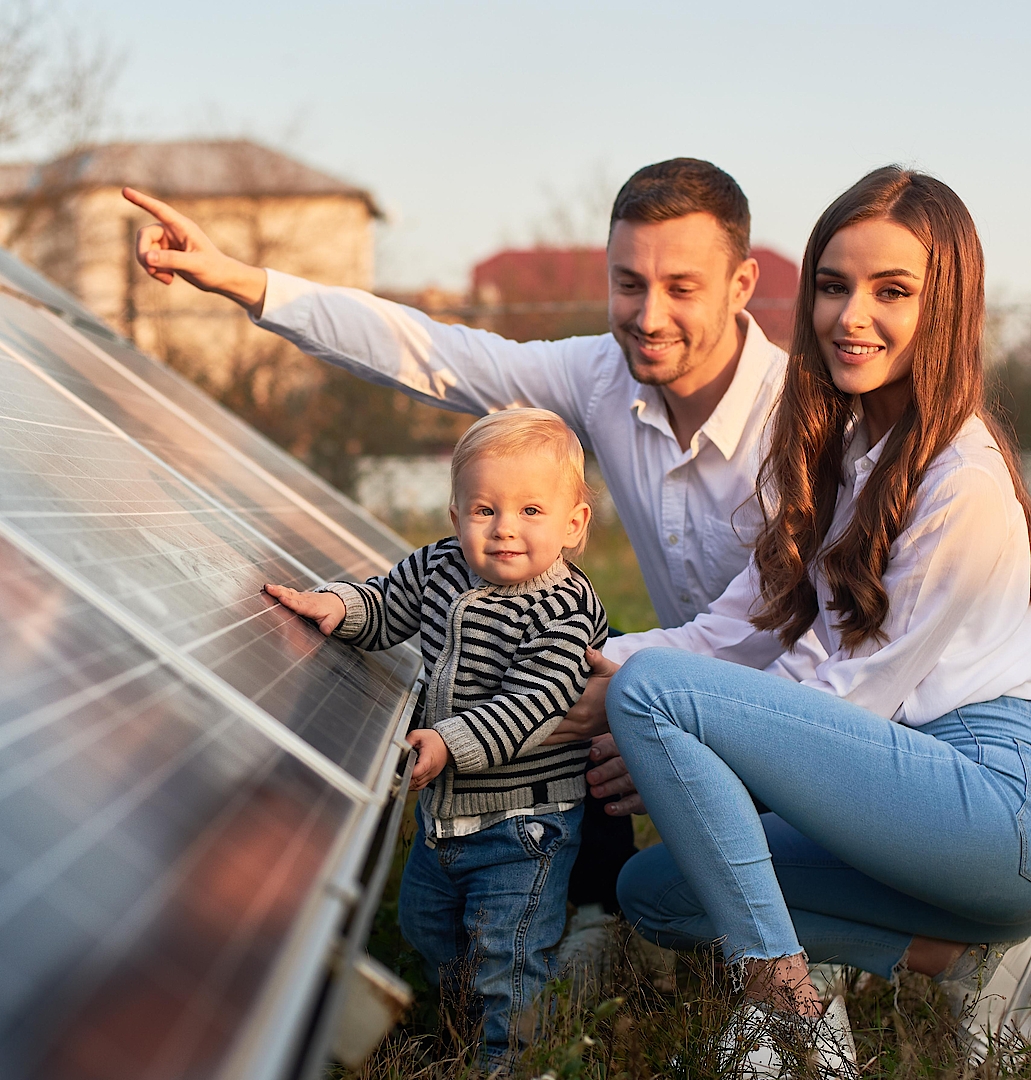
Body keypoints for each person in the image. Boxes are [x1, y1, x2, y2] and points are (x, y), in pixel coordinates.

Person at [123, 158, 798, 931]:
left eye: (681, 287)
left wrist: (648, 699)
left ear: (741, 285)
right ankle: (588, 914)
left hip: (809, 702)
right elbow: (433, 355)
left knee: (598, 674)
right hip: (675, 676)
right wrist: (247, 283)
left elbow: (796, 632)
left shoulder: (799, 420)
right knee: (554, 656)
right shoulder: (602, 376)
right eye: (628, 283)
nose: (647, 315)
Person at [591, 167, 1031, 1074]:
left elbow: (851, 701)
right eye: (833, 286)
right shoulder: (850, 452)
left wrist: (681, 744)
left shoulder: (964, 485)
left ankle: (789, 1011)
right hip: (906, 794)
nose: (849, 316)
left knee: (655, 701)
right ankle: (967, 956)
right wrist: (578, 665)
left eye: (891, 291)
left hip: (995, 807)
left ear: (946, 306)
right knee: (661, 891)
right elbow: (738, 628)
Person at [264, 408, 608, 1070]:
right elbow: (387, 604)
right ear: (454, 515)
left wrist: (448, 741)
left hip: (523, 828)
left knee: (505, 953)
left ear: (573, 523)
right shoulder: (442, 565)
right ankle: (462, 1018)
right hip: (443, 819)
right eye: (485, 509)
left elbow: (533, 703)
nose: (505, 527)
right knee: (427, 926)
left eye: (531, 510)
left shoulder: (564, 612)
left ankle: (509, 1055)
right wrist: (338, 607)